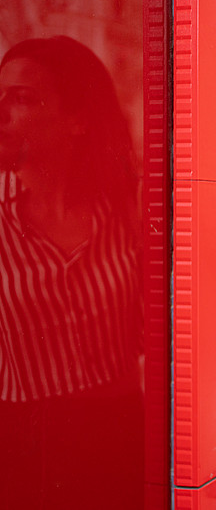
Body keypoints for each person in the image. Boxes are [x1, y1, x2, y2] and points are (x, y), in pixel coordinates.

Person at [0, 36, 143, 508]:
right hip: (22, 442)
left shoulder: (125, 210)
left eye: (22, 98)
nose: (3, 111)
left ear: (77, 119)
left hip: (118, 427)